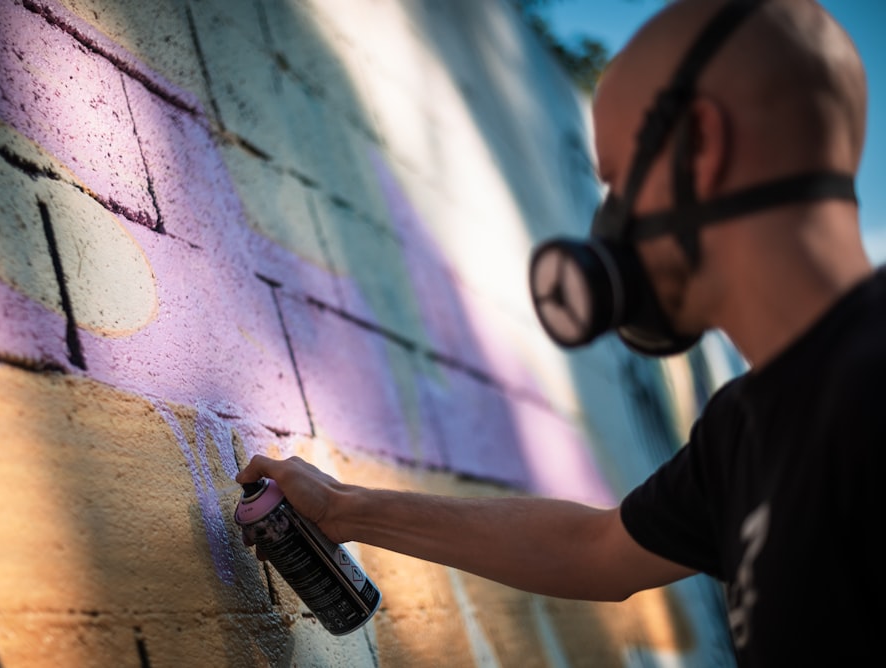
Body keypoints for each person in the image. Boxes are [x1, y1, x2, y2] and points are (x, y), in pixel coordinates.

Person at [238, 0, 884, 664]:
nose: (609, 222)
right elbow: (593, 552)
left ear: (700, 144)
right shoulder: (741, 432)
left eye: (618, 178)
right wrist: (344, 509)